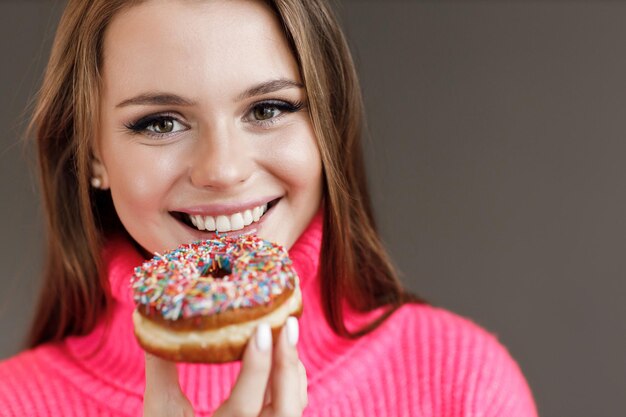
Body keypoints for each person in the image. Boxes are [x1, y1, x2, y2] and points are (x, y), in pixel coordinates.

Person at [0, 0, 538, 416]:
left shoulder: (459, 381)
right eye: (160, 122)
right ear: (93, 154)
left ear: (325, 126)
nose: (223, 169)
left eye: (268, 108)